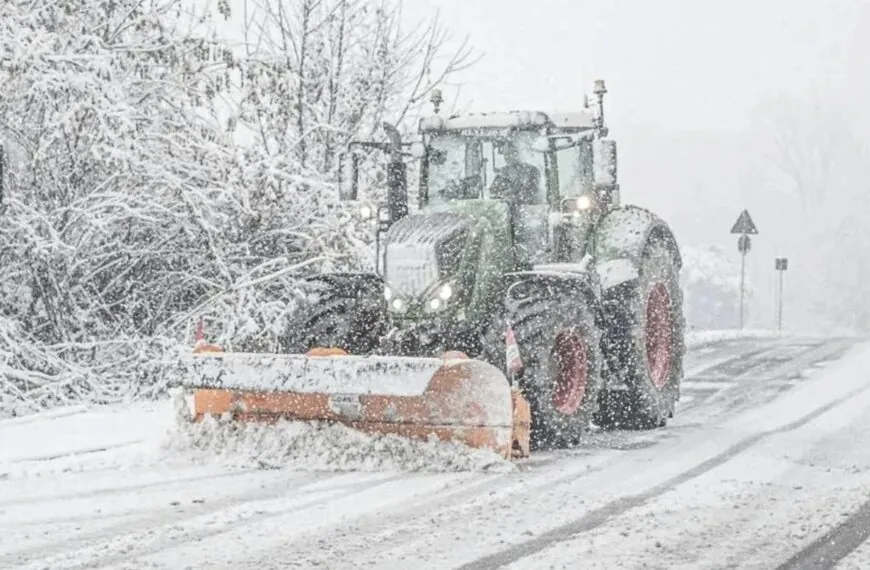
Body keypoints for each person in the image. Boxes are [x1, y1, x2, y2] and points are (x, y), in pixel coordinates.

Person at [488, 140, 541, 206]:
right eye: (506, 154)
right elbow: (493, 192)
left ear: (518, 154)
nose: (508, 157)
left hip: (527, 209)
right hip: (505, 210)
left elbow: (533, 192)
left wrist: (514, 195)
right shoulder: (502, 172)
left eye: (511, 153)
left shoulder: (531, 171)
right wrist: (503, 195)